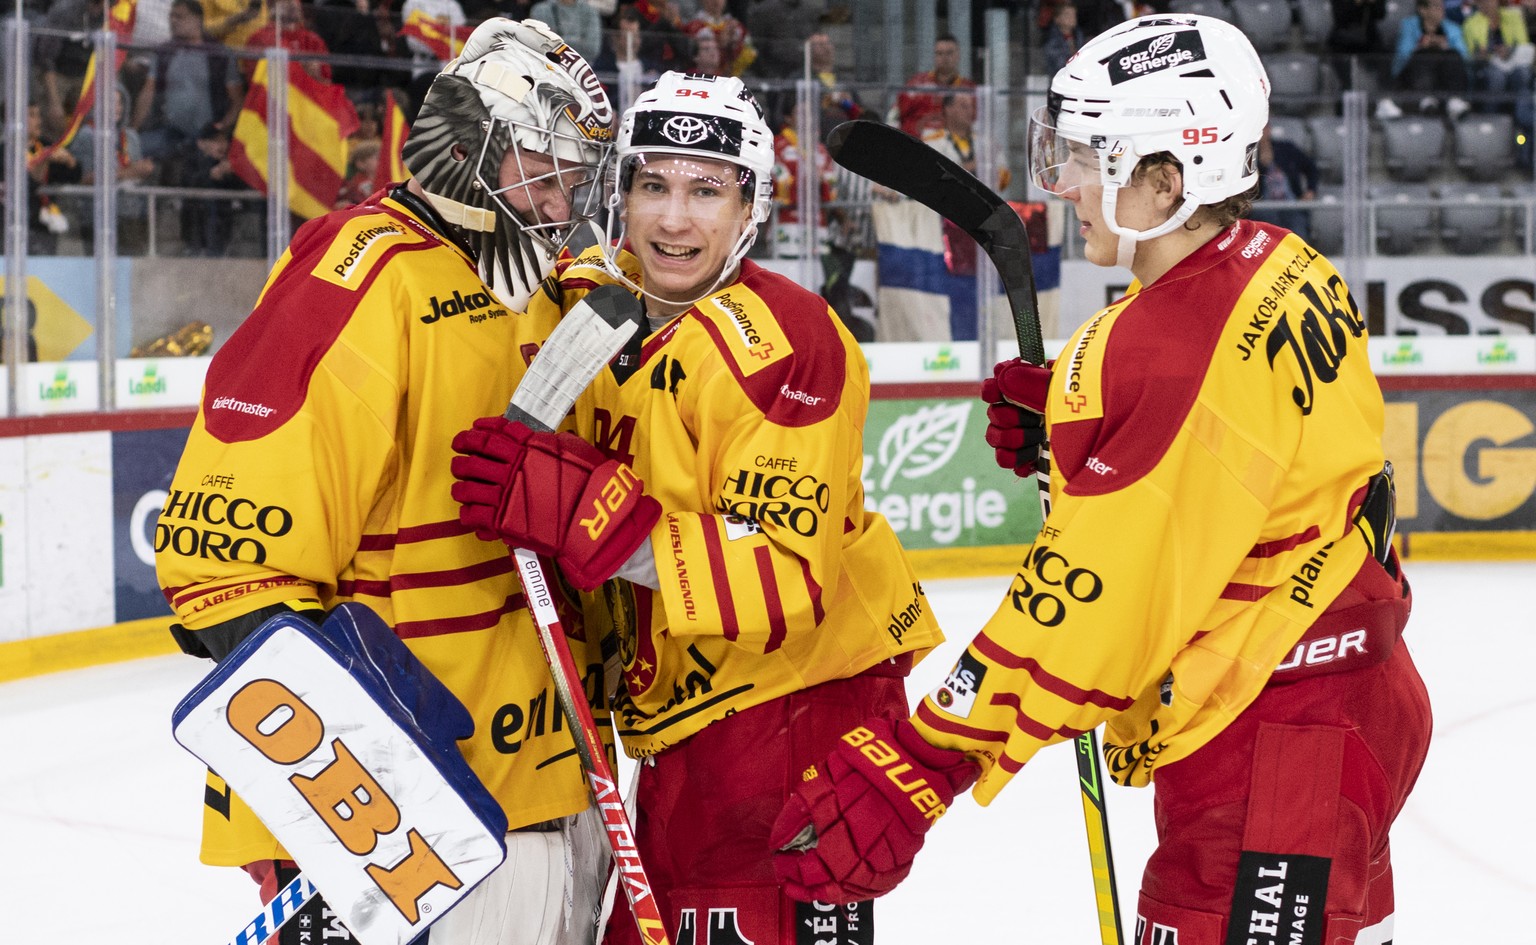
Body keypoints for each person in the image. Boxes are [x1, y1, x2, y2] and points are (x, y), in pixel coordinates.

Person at [772, 15, 1431, 945]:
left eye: (1090, 159)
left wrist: (920, 763)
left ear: (1167, 181)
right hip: (1356, 695)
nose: (1064, 185)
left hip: (1274, 741)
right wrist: (1089, 423)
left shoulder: (1165, 350)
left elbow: (1088, 603)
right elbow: (1257, 452)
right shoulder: (1285, 261)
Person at [448, 71, 942, 945]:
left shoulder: (787, 341)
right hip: (683, 728)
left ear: (750, 208)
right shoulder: (589, 302)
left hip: (796, 715)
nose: (674, 219)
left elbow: (781, 573)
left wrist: (587, 515)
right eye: (653, 185)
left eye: (706, 191)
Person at [154, 18, 619, 945]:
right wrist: (363, 780)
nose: (566, 191)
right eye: (545, 160)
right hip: (415, 827)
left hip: (546, 781)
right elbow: (221, 564)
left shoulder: (542, 282)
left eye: (578, 171)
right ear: (473, 140)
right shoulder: (358, 272)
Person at [138, 0, 244, 165]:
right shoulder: (164, 52)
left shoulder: (220, 55)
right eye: (171, 16)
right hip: (169, 132)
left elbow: (237, 101)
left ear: (197, 20)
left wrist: (222, 131)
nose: (173, 21)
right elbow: (148, 92)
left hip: (208, 135)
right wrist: (131, 129)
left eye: (179, 16)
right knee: (136, 148)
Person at [1386, 0, 1471, 117]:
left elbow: (1465, 57)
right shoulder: (1409, 25)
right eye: (1436, 6)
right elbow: (1402, 54)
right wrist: (1420, 45)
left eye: (1442, 6)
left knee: (1452, 54)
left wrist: (1445, 46)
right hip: (1414, 79)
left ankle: (1454, 100)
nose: (1441, 10)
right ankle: (1425, 99)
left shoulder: (1453, 28)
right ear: (1423, 10)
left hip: (1444, 79)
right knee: (1423, 53)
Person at [1462, 0, 1534, 128]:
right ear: (1479, 4)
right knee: (1497, 77)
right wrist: (1484, 53)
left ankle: (1522, 119)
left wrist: (1509, 49)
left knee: (1523, 73)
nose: (1488, 4)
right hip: (1488, 65)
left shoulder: (1513, 17)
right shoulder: (1470, 23)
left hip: (1513, 62)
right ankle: (1490, 119)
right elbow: (1471, 54)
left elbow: (1523, 43)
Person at [891, 33, 975, 137]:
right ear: (934, 56)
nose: (944, 58)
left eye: (949, 53)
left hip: (952, 149)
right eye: (939, 53)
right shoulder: (915, 85)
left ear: (958, 55)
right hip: (917, 147)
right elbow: (894, 118)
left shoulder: (969, 89)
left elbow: (974, 125)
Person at [1250, 120, 1320, 241]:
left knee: (1298, 232)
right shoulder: (1249, 154)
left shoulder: (1286, 148)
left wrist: (1311, 190)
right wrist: (1262, 166)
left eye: (1265, 128)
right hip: (1263, 207)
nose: (1262, 133)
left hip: (1291, 204)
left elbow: (1311, 167)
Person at [684, 0, 758, 76]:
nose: (717, 2)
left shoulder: (736, 27)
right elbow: (688, 55)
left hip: (735, 78)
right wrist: (720, 42)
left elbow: (751, 53)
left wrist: (735, 45)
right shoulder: (694, 26)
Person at [530, 0, 604, 64]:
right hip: (545, 66)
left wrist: (558, 40)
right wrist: (578, 40)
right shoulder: (541, 10)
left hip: (580, 70)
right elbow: (540, 44)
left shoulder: (590, 12)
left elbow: (592, 49)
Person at [1042, 2, 1084, 76]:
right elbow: (1059, 64)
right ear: (1057, 19)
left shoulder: (1079, 36)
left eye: (1073, 14)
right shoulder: (1051, 40)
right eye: (1067, 15)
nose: (1072, 17)